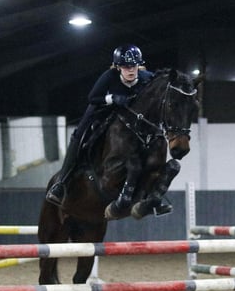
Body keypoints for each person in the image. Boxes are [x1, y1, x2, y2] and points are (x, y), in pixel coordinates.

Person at [45, 44, 154, 206]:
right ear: (118, 67)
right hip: (102, 109)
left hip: (130, 116)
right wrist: (111, 98)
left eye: (134, 66)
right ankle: (61, 183)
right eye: (125, 66)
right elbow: (93, 98)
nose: (130, 70)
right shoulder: (109, 76)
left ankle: (152, 192)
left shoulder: (147, 78)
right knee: (79, 136)